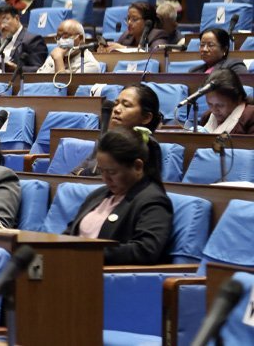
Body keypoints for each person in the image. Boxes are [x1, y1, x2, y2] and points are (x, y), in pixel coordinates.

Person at [65, 127, 173, 265]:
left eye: (112, 172)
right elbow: (70, 233)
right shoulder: (98, 194)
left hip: (103, 273)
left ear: (138, 166)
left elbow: (145, 251)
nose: (105, 178)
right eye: (101, 171)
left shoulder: (153, 201)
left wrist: (86, 253)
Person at [72, 84, 162, 177]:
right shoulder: (106, 138)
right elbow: (75, 173)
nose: (116, 109)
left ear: (146, 117)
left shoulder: (147, 145)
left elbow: (115, 180)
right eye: (115, 104)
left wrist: (85, 173)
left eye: (126, 105)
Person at [0, 4, 48, 72]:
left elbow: (39, 70)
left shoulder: (33, 40)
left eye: (5, 21)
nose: (2, 26)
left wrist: (17, 69)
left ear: (17, 18)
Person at [98, 2, 171, 52]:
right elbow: (116, 50)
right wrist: (107, 49)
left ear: (147, 22)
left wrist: (124, 49)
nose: (129, 22)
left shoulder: (158, 35)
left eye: (134, 19)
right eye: (128, 18)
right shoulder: (126, 35)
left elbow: (158, 53)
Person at [199, 69, 254, 134]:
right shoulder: (206, 116)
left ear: (238, 99)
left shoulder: (251, 116)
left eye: (220, 105)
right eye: (210, 104)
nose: (214, 110)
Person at [36, 19, 101, 74]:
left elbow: (62, 84)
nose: (61, 41)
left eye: (66, 37)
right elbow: (38, 79)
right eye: (58, 37)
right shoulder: (54, 57)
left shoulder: (90, 65)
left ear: (80, 38)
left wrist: (58, 60)